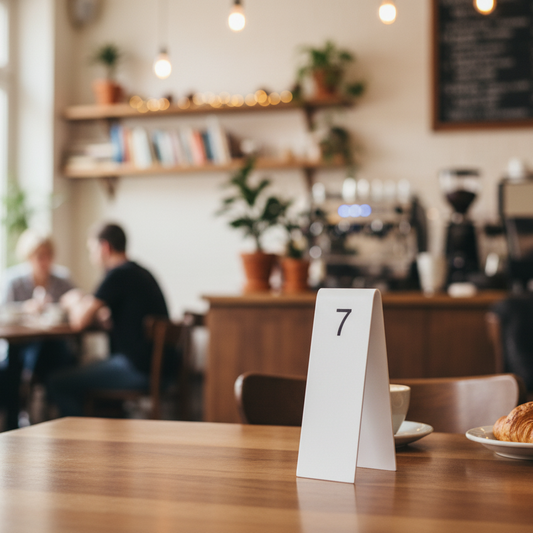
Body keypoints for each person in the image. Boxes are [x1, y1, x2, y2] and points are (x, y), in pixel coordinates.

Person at [48, 223, 171, 417]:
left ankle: (80, 438)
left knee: (58, 382)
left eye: (92, 250)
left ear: (104, 247)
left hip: (137, 368)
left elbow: (79, 321)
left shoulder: (118, 274)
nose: (91, 257)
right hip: (160, 368)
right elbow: (110, 320)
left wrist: (72, 301)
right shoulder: (140, 272)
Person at [1, 229, 76, 429]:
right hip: (22, 345)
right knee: (13, 362)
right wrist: (25, 309)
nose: (44, 261)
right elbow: (4, 314)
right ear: (28, 257)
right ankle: (17, 420)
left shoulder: (62, 280)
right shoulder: (14, 281)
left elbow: (76, 306)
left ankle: (48, 413)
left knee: (55, 352)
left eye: (48, 255)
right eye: (39, 256)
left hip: (53, 346)